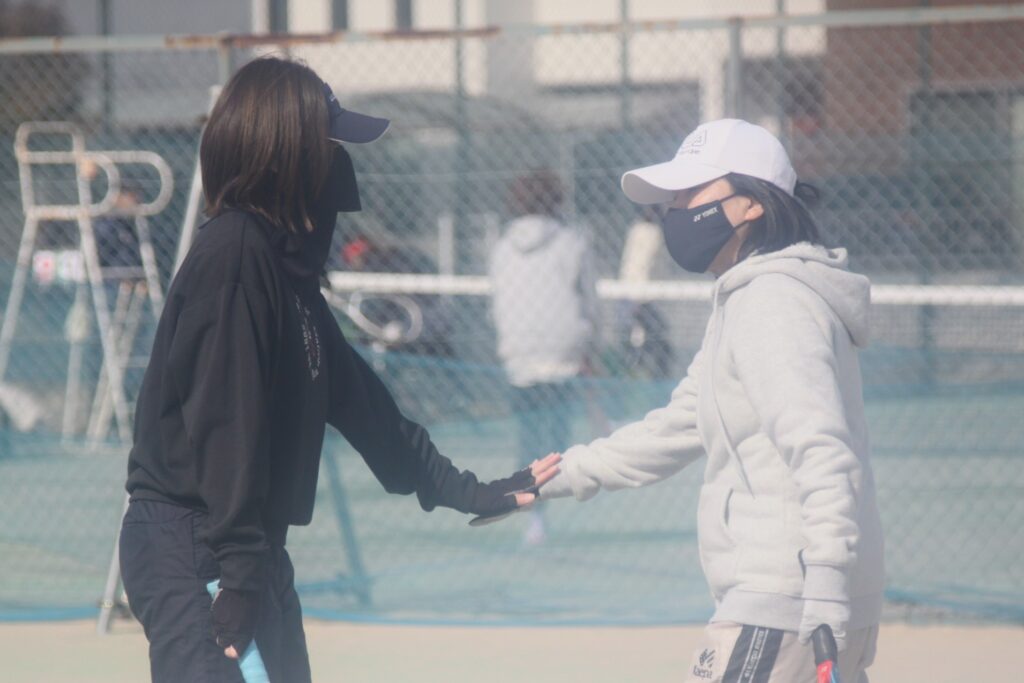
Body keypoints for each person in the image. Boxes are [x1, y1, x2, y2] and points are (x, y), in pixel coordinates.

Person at [118, 57, 560, 683]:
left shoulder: (286, 273)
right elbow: (225, 427)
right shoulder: (235, 257)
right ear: (287, 156)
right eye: (330, 146)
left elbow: (365, 407)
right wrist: (238, 577)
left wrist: (465, 490)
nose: (341, 165)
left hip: (243, 547)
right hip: (199, 547)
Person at [523, 119, 885, 682]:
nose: (675, 209)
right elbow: (675, 426)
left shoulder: (772, 302)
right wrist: (550, 478)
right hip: (794, 603)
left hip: (787, 604)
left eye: (692, 191)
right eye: (673, 197)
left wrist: (825, 591)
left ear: (753, 203)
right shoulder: (746, 299)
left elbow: (822, 449)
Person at [489, 169, 600, 544]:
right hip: (562, 352)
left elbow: (499, 302)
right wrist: (589, 344)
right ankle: (543, 511)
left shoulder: (501, 247)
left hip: (517, 353)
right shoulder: (572, 243)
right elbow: (589, 301)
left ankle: (533, 515)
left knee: (529, 435)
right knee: (556, 440)